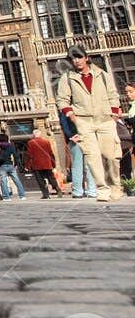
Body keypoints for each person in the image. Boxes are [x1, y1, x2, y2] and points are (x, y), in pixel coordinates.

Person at [55, 47, 124, 203]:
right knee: (92, 157)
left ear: (87, 57)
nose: (76, 61)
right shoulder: (67, 78)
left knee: (112, 156)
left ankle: (115, 185)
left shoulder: (102, 75)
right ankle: (102, 190)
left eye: (79, 57)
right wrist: (72, 116)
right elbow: (62, 99)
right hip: (84, 121)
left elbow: (113, 95)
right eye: (73, 58)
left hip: (105, 119)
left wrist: (113, 115)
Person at [25, 128, 61, 198]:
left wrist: (27, 166)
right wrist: (53, 164)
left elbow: (29, 155)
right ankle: (58, 190)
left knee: (40, 180)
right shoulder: (46, 142)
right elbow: (51, 154)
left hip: (37, 164)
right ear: (40, 134)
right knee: (51, 178)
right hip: (47, 164)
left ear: (33, 135)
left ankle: (46, 194)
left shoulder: (30, 143)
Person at [0, 132, 27, 201]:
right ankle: (22, 195)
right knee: (17, 180)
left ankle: (6, 197)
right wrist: (15, 164)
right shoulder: (11, 145)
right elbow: (15, 155)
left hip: (2, 166)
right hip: (10, 165)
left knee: (3, 182)